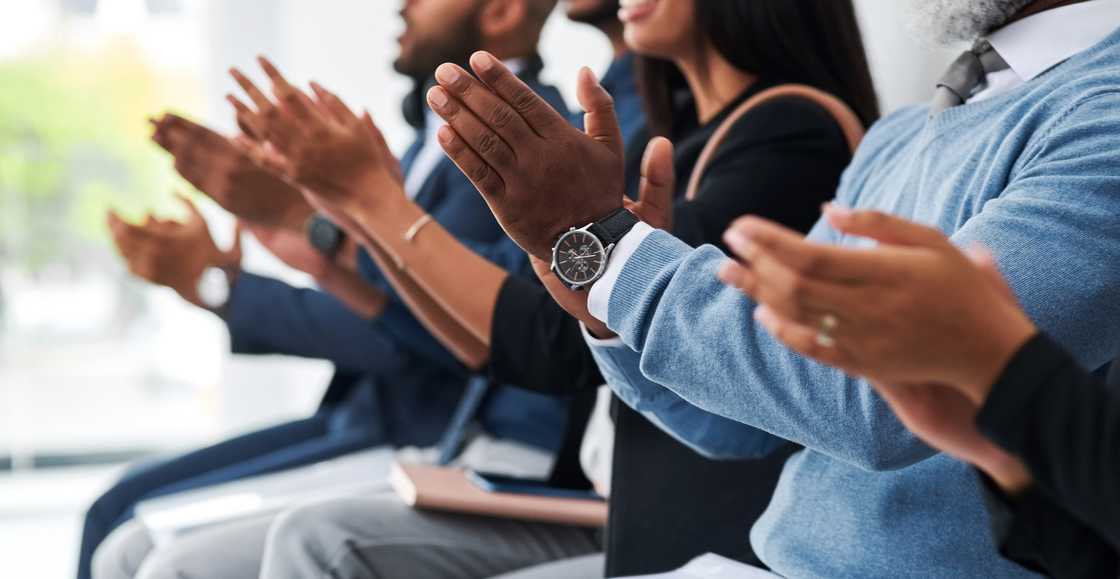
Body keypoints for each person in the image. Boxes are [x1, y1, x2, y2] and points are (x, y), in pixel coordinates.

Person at [422, 0, 1120, 576]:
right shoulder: (902, 133)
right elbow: (743, 424)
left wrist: (612, 253)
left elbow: (885, 404)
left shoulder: (1102, 116)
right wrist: (606, 302)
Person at [237, 1, 877, 577]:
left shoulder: (789, 129)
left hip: (674, 515)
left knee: (313, 539)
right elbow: (511, 335)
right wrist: (361, 214)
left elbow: (545, 338)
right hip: (600, 490)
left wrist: (371, 206)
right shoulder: (677, 125)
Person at [89, 0, 573, 578]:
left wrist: (285, 244)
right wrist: (298, 235)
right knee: (121, 512)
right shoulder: (432, 139)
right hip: (376, 419)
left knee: (137, 534)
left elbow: (430, 329)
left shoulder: (511, 144)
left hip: (423, 430)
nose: (403, 6)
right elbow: (395, 292)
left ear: (501, 12)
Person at [719, 206, 1119, 578]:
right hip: (777, 551)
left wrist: (1003, 372)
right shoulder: (883, 153)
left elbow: (861, 411)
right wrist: (1000, 457)